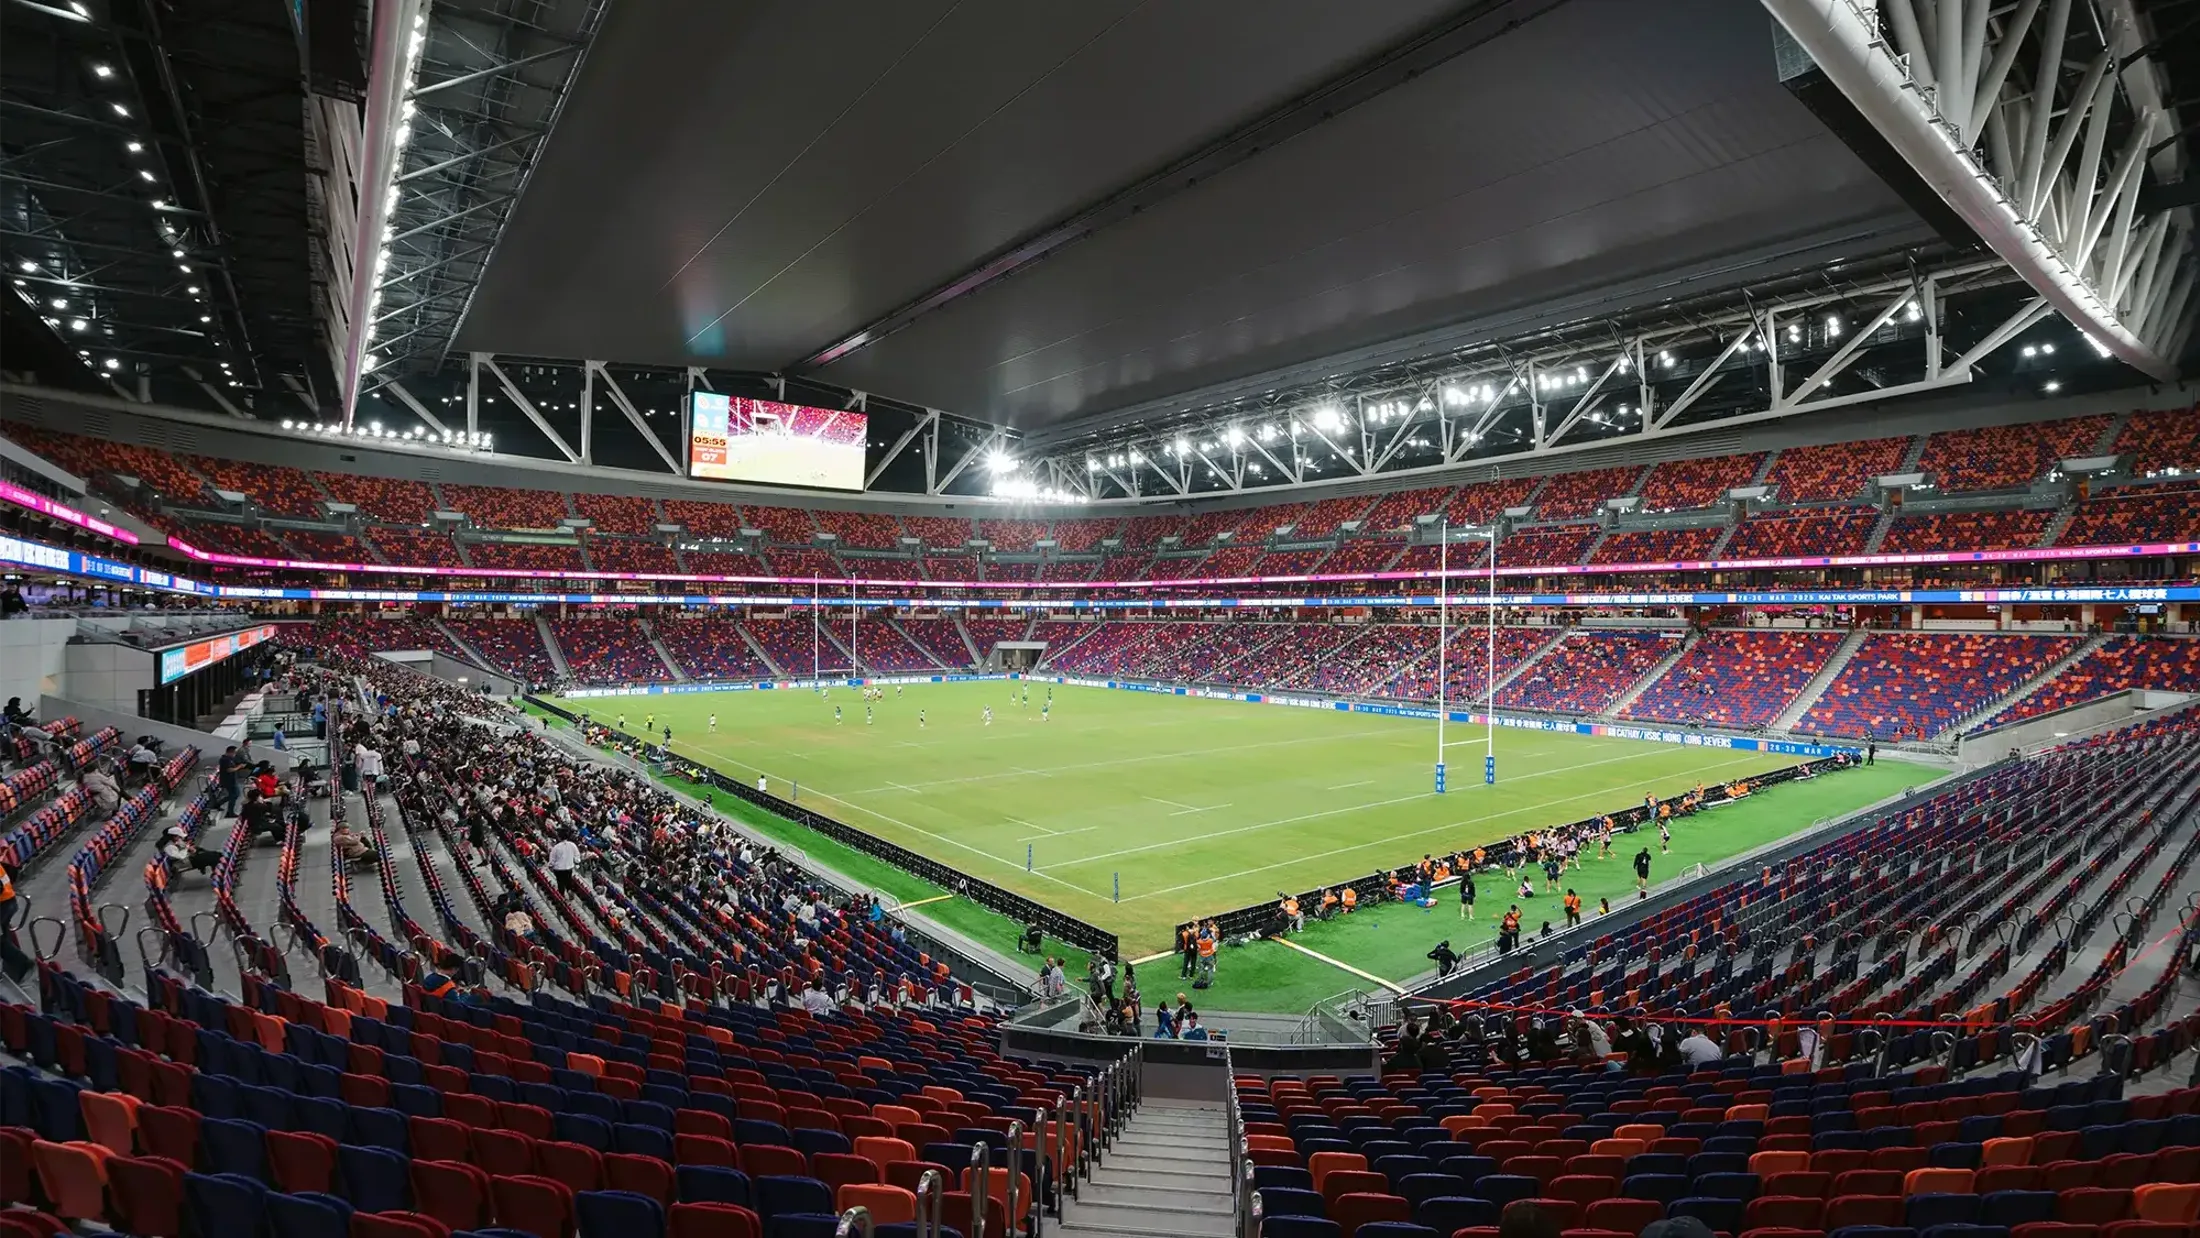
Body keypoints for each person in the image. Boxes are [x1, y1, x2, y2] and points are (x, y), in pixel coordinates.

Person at [0, 855, 26, 985]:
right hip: (9, 901)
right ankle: (11, 971)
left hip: (4, 904)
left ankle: (22, 964)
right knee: (4, 936)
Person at [216, 745, 245, 816]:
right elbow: (229, 770)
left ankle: (218, 804)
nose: (235, 755)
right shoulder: (225, 760)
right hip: (228, 781)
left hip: (232, 780)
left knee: (235, 794)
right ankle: (230, 812)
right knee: (234, 795)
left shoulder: (230, 759)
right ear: (230, 752)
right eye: (234, 753)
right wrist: (239, 767)